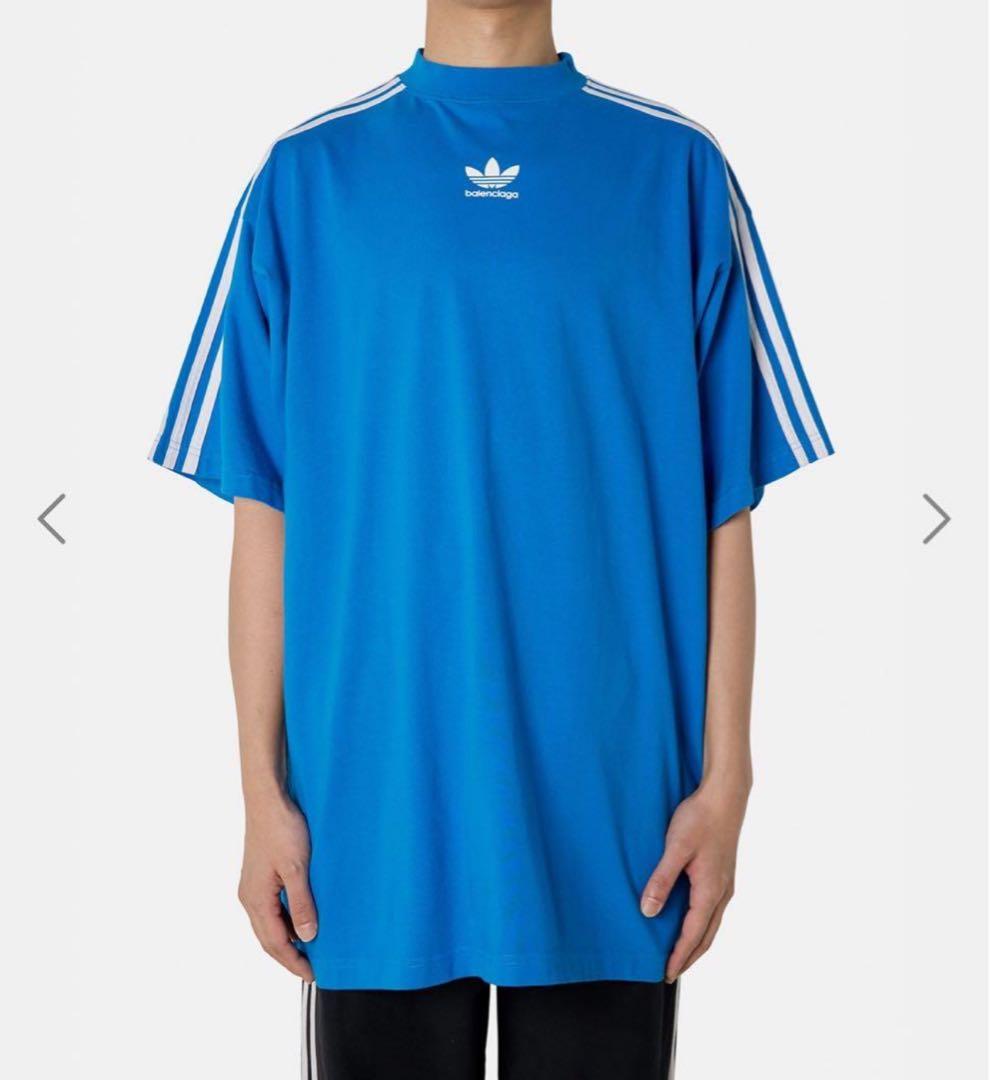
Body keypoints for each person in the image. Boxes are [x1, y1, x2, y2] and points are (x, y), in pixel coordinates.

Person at [149, 0, 832, 1075]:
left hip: (620, 829)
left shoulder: (677, 172)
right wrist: (259, 797)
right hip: (371, 826)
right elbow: (261, 511)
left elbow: (727, 504)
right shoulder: (306, 180)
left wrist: (728, 783)